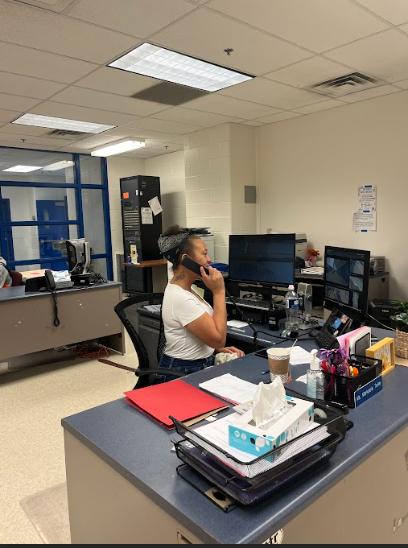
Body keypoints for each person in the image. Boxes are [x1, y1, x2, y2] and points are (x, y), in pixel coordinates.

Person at [157, 226, 244, 381]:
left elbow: (204, 336)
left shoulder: (187, 289)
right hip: (181, 371)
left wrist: (216, 348)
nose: (209, 259)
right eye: (204, 254)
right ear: (186, 260)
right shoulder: (180, 297)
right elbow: (218, 338)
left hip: (195, 365)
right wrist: (218, 292)